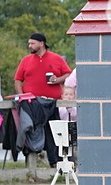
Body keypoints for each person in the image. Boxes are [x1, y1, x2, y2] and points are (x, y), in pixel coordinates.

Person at [13, 33, 72, 167]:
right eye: (29, 43)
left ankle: (55, 163)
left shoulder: (56, 58)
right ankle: (31, 166)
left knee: (53, 133)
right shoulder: (26, 60)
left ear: (42, 43)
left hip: (52, 103)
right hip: (32, 104)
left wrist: (57, 80)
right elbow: (17, 80)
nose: (30, 46)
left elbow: (68, 73)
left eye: (32, 43)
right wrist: (22, 96)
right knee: (32, 131)